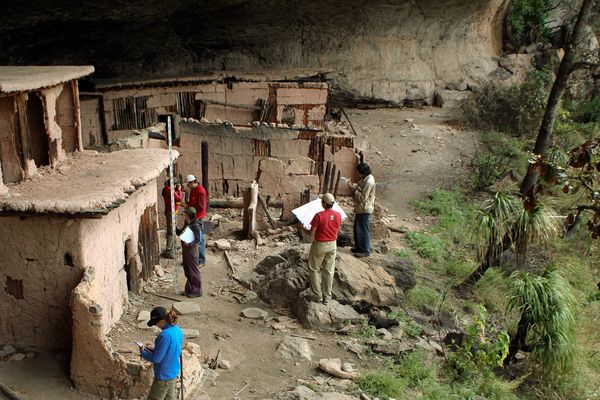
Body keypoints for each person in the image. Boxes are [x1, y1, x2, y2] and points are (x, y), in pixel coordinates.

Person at [302, 193, 342, 304]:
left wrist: (303, 228)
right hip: (333, 245)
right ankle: (327, 297)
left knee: (314, 269)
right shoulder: (338, 215)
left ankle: (317, 294)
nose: (321, 203)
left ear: (324, 203)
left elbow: (311, 234)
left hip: (320, 245)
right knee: (328, 271)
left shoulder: (319, 215)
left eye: (322, 201)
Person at [140, 306, 184, 400]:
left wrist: (143, 352)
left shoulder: (164, 335)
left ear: (162, 321)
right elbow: (172, 351)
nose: (156, 326)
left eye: (156, 323)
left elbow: (156, 359)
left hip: (163, 377)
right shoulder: (178, 330)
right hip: (173, 374)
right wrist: (153, 349)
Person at [349, 162, 376, 258]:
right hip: (361, 208)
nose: (358, 174)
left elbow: (363, 198)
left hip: (365, 208)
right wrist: (355, 186)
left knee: (363, 230)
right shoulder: (366, 178)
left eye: (359, 172)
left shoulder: (369, 182)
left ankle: (365, 250)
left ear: (363, 172)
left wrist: (354, 190)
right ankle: (359, 247)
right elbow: (361, 187)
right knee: (358, 229)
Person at [177, 207, 203, 298]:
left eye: (185, 214)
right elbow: (181, 234)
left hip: (191, 251)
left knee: (194, 272)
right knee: (188, 271)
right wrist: (176, 229)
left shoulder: (196, 226)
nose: (184, 216)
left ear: (189, 215)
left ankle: (197, 291)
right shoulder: (188, 224)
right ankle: (189, 290)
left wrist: (189, 244)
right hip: (186, 251)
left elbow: (198, 239)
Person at [185, 174, 207, 265]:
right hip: (193, 217)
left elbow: (201, 207)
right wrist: (187, 204)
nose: (188, 186)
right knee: (191, 237)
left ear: (193, 182)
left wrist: (189, 207)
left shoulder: (200, 191)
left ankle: (201, 260)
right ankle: (193, 257)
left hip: (198, 217)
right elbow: (193, 202)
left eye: (188, 184)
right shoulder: (193, 190)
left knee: (200, 238)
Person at [161, 179, 183, 259]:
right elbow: (179, 199)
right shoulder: (170, 191)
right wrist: (179, 190)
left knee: (172, 231)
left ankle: (171, 247)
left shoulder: (166, 189)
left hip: (171, 212)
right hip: (171, 213)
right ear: (173, 184)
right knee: (171, 232)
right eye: (175, 185)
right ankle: (169, 251)